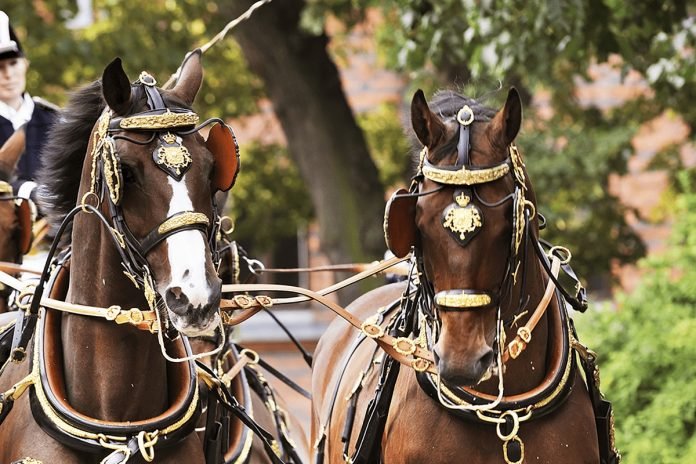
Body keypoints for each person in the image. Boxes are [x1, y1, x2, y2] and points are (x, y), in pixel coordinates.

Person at [0, 10, 58, 202]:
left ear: (25, 64)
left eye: (13, 63)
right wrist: (29, 191)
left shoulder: (55, 120)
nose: (8, 74)